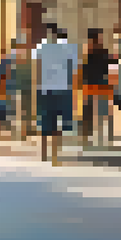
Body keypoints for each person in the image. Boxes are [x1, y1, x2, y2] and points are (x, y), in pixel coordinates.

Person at [32, 25, 80, 166]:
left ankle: (44, 154)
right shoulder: (69, 48)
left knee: (45, 122)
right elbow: (74, 71)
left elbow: (36, 69)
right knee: (58, 124)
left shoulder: (40, 47)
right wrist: (74, 89)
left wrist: (37, 87)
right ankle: (55, 155)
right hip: (63, 89)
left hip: (45, 89)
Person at [79, 29, 113, 146]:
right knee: (95, 110)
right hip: (96, 83)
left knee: (90, 109)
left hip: (93, 83)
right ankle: (96, 134)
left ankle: (89, 134)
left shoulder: (91, 52)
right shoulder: (100, 52)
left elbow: (83, 68)